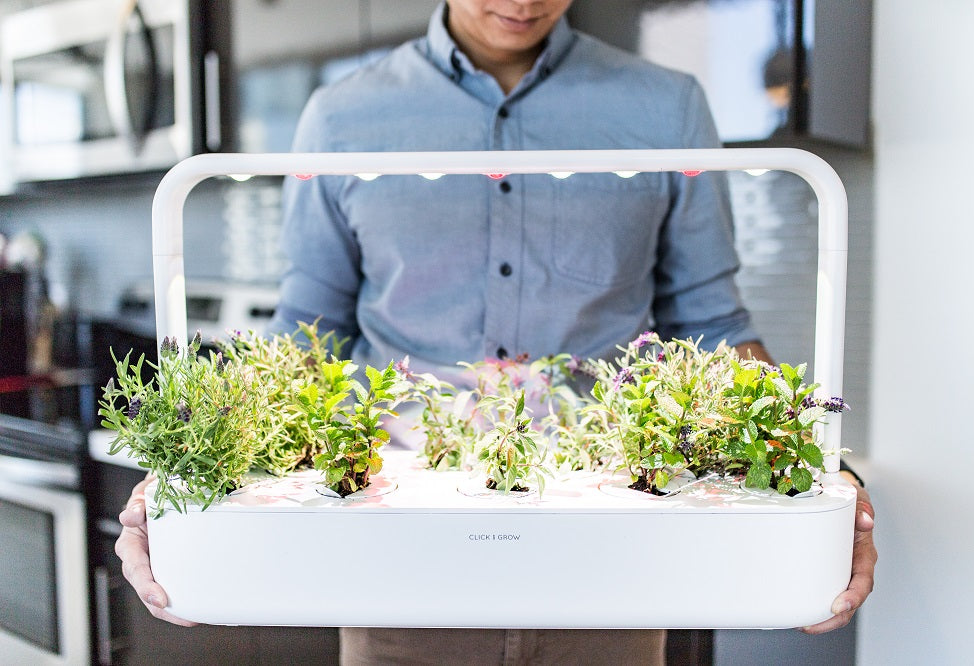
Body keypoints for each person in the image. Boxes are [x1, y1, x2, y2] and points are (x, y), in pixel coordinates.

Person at [116, 1, 877, 663]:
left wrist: (818, 470)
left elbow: (710, 326)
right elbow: (305, 335)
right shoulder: (342, 118)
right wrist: (185, 472)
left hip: (613, 569)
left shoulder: (665, 108)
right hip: (398, 565)